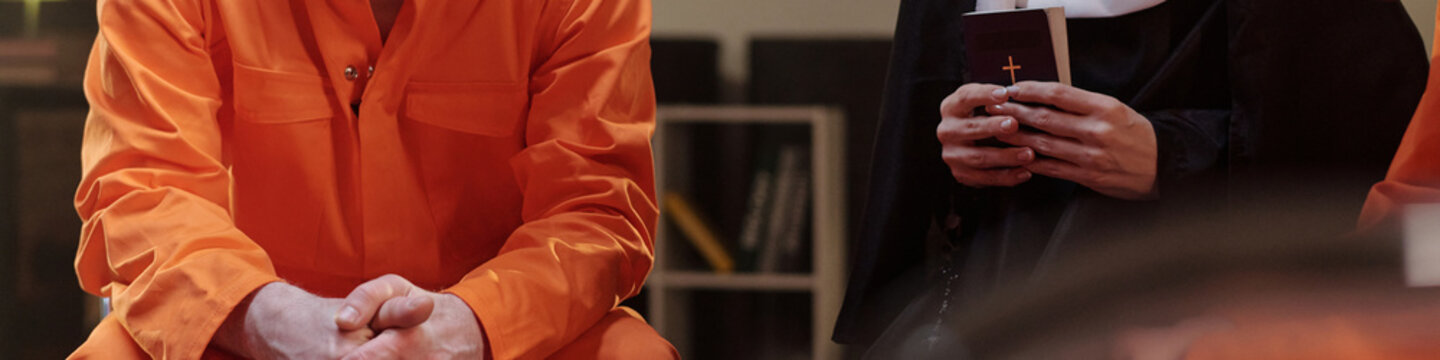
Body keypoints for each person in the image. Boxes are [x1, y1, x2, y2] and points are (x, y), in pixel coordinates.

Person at [68, 0, 676, 359]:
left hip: (499, 339)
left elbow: (595, 212)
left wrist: (471, 326)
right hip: (246, 328)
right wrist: (278, 322)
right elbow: (143, 193)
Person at [834, 0, 1430, 355]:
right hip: (1002, 279)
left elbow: (1360, 144)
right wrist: (962, 149)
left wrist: (1171, 156)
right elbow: (918, 133)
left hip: (1197, 295)